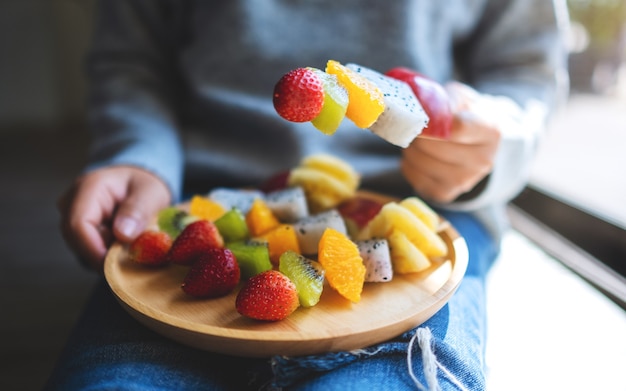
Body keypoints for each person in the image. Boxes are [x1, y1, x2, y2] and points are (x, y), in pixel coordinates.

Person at [49, 0, 569, 390]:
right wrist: (141, 156)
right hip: (207, 206)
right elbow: (132, 60)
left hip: (419, 211)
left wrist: (493, 138)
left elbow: (526, 70)